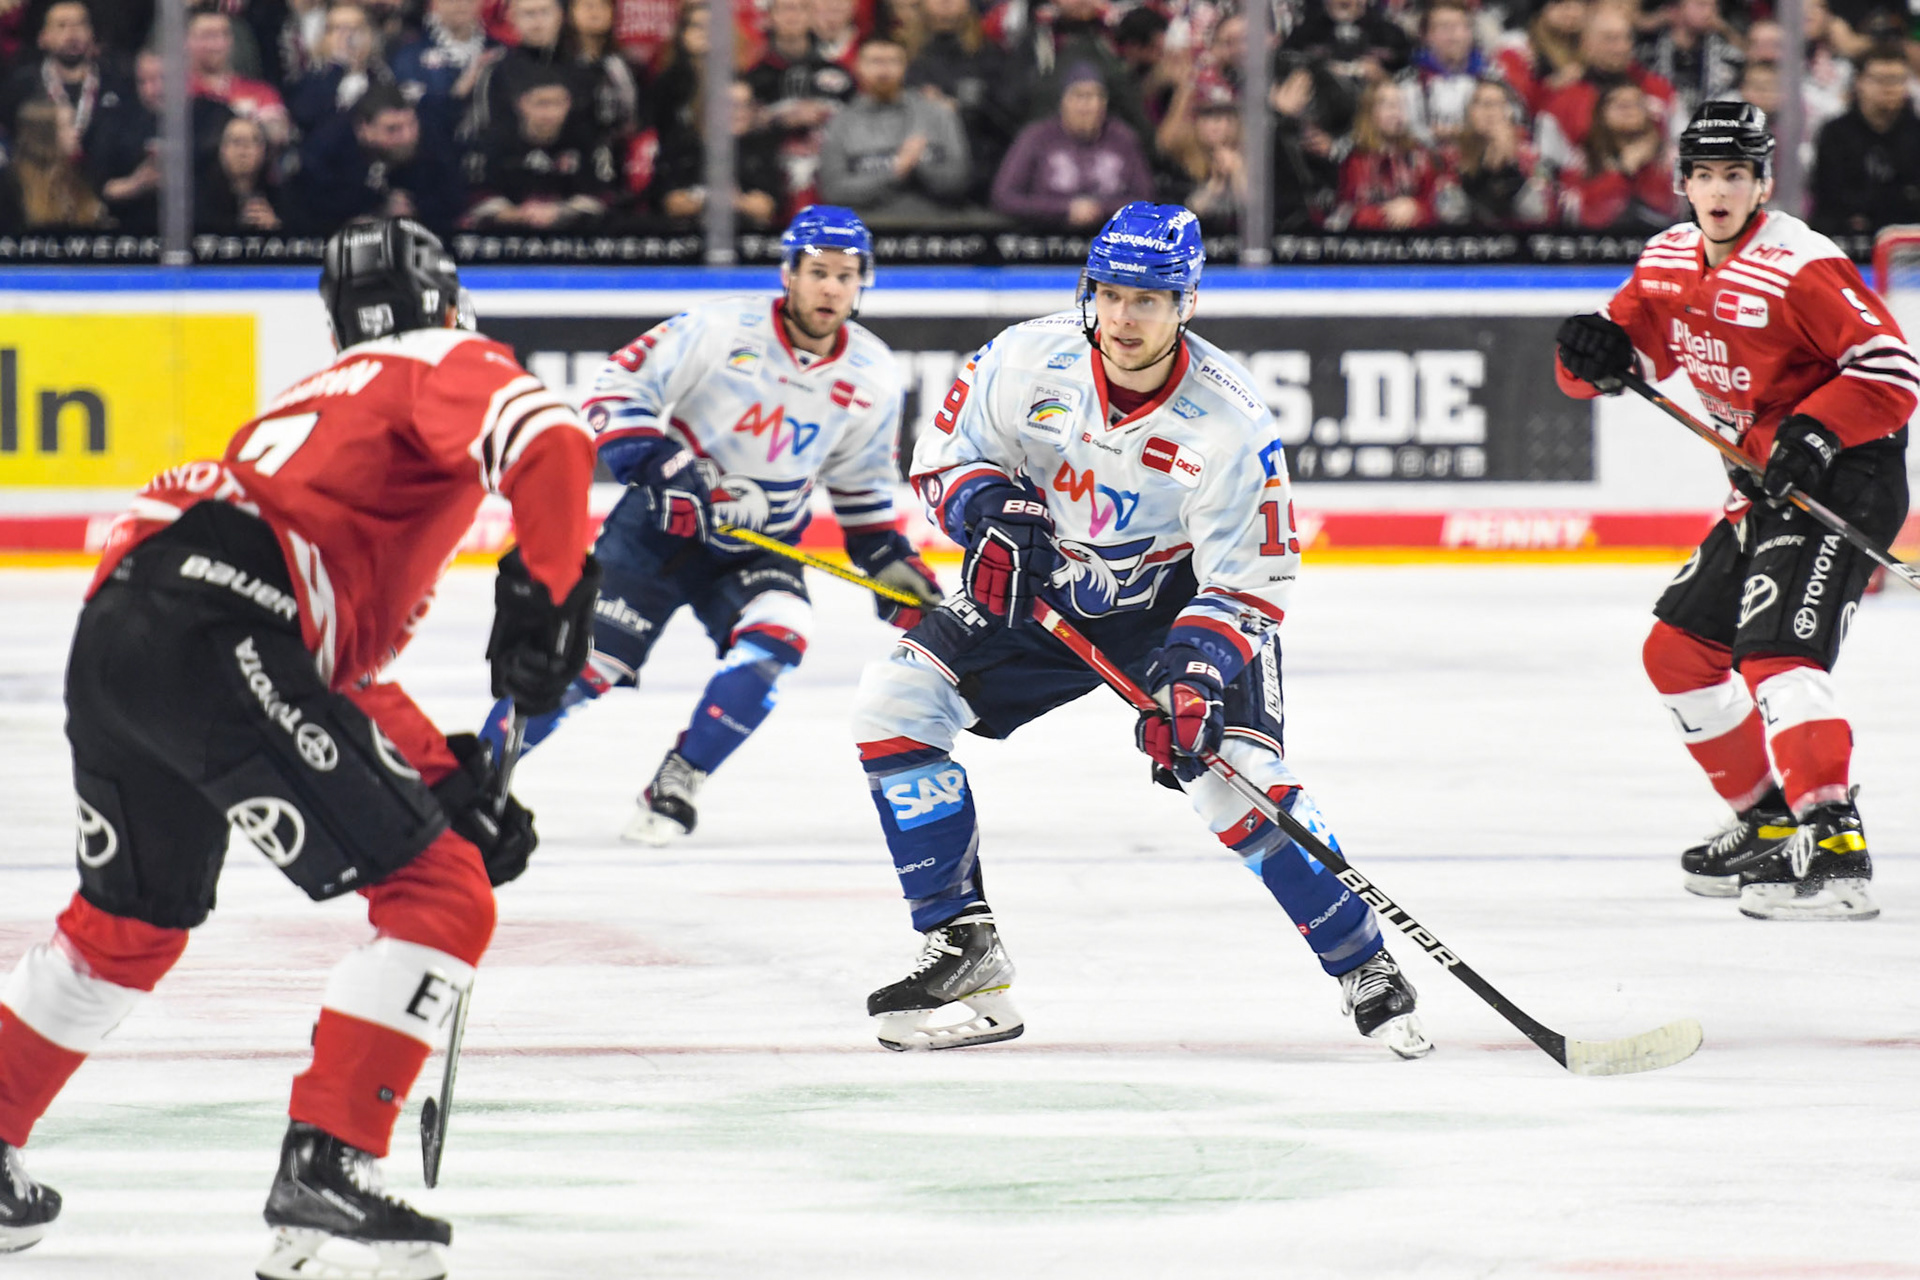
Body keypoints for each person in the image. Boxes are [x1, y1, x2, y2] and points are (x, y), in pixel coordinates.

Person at [0, 217, 599, 1273]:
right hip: (221, 626)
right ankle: (327, 1167)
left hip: (123, 632)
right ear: (449, 300)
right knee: (443, 896)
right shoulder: (444, 357)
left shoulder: (312, 407)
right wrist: (553, 594)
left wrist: (445, 776)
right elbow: (550, 436)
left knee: (125, 924)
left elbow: (331, 663)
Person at [849, 202, 1434, 1057]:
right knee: (894, 703)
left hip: (1177, 607)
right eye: (1112, 294)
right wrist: (991, 512)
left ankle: (1364, 964)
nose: (1125, 317)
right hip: (1043, 593)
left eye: (1150, 299)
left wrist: (1194, 673)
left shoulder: (1229, 422)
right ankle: (964, 943)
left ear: (1187, 303)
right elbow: (945, 460)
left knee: (1231, 779)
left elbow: (1251, 577)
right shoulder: (1025, 358)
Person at [476, 207, 939, 844]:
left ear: (864, 283)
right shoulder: (721, 328)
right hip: (656, 532)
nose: (831, 287)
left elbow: (860, 484)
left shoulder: (874, 374)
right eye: (818, 272)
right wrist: (661, 462)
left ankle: (679, 778)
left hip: (759, 548)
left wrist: (888, 556)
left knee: (779, 638)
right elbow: (615, 387)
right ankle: (472, 780)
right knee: (579, 671)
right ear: (789, 274)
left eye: (846, 275)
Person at [1554, 102, 1913, 922]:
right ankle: (1768, 821)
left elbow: (1892, 371)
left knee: (1778, 654)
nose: (1719, 191)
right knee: (1677, 652)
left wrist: (1816, 436)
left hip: (1843, 477)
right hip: (1762, 488)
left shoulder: (1800, 265)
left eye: (1736, 175)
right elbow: (1616, 359)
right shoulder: (1671, 260)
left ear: (1764, 181)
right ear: (1683, 182)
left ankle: (1833, 844)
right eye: (1706, 175)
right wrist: (1585, 357)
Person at [816, 34, 969, 225]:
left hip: (935, 225)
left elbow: (959, 181)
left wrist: (919, 167)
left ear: (906, 67)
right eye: (875, 62)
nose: (884, 70)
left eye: (893, 61)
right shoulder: (841, 122)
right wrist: (895, 172)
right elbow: (834, 191)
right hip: (869, 229)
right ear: (858, 67)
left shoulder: (938, 115)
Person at [990, 63, 1153, 229]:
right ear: (1063, 101)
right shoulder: (1036, 137)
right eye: (1080, 96)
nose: (1091, 105)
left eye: (1099, 97)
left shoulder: (1123, 138)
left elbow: (1146, 198)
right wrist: (1065, 209)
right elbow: (1004, 197)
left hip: (1112, 239)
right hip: (1047, 238)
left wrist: (1100, 209)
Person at [1809, 45, 1920, 236]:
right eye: (1879, 80)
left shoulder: (1916, 132)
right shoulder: (1835, 133)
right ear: (1859, 82)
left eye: (1896, 80)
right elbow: (1828, 196)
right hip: (1845, 236)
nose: (1889, 88)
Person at [1567, 81, 1673, 230]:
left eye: (1637, 103)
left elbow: (1668, 210)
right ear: (1601, 113)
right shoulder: (1583, 157)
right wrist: (1624, 170)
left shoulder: (1666, 157)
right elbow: (1588, 217)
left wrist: (1643, 167)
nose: (1629, 110)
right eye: (1620, 104)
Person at [196, 113, 287, 233]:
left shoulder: (283, 199)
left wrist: (274, 229)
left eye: (252, 142)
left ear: (263, 151)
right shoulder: (198, 200)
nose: (243, 151)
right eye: (236, 142)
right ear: (222, 149)